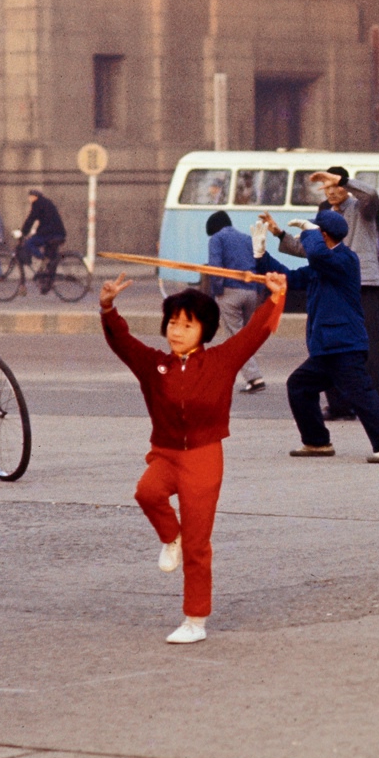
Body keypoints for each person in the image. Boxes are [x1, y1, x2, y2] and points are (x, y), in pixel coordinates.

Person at [99, 267, 288, 644]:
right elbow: (122, 342)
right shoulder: (154, 365)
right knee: (146, 492)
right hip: (166, 455)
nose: (176, 331)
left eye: (186, 325)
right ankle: (171, 537)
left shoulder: (221, 360)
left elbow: (255, 334)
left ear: (204, 331)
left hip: (204, 458)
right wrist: (107, 307)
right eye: (172, 323)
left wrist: (276, 297)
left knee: (199, 545)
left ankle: (194, 620)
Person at [253, 209, 379, 462]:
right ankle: (317, 442)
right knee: (299, 385)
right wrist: (262, 256)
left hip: (344, 345)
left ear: (323, 235)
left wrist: (310, 233)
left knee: (361, 395)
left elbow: (316, 254)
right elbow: (290, 278)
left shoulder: (346, 259)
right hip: (328, 347)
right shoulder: (323, 264)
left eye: (316, 232)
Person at [261, 168, 379, 417]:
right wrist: (279, 233)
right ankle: (339, 405)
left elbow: (372, 195)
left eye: (336, 186)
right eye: (327, 187)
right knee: (331, 346)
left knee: (371, 349)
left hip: (363, 283)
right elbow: (309, 247)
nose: (331, 191)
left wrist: (344, 180)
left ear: (346, 186)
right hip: (333, 284)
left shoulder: (362, 209)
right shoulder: (324, 214)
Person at [204, 210, 268, 394]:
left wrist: (217, 293)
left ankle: (255, 378)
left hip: (230, 292)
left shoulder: (216, 239)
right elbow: (258, 265)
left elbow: (216, 268)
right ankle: (230, 372)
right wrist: (258, 294)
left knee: (236, 338)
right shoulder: (247, 238)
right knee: (243, 337)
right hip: (251, 293)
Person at [19, 189, 67, 292]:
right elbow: (44, 221)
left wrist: (23, 233)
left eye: (30, 197)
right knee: (48, 254)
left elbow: (30, 219)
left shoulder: (37, 204)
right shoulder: (46, 202)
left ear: (33, 196)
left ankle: (43, 258)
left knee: (29, 243)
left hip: (51, 234)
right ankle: (46, 281)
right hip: (57, 233)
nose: (29, 199)